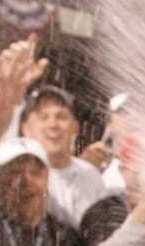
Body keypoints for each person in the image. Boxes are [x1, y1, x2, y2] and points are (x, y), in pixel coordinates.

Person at [18, 84, 107, 232]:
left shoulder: (91, 175)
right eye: (43, 117)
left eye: (61, 117)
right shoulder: (21, 178)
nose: (53, 125)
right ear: (26, 129)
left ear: (75, 127)